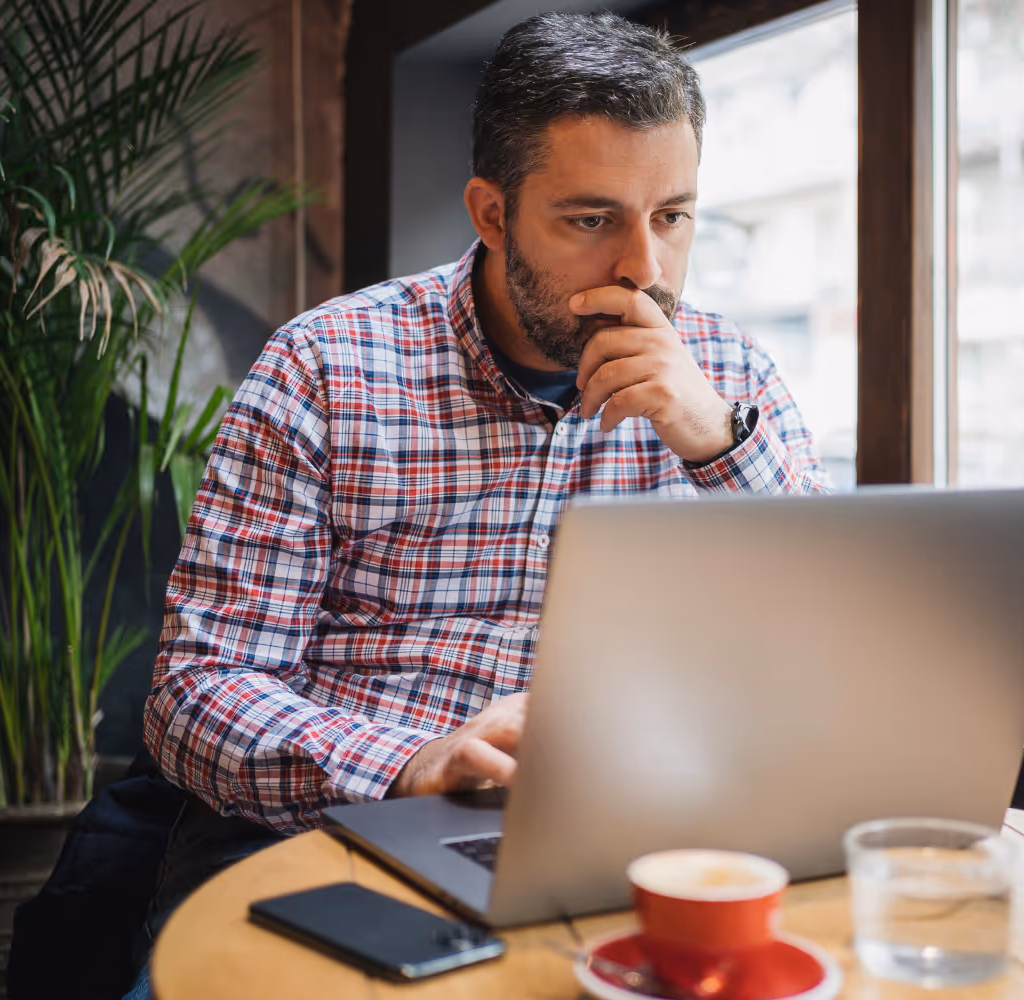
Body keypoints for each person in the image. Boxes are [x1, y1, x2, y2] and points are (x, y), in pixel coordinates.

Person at [108, 11, 829, 998]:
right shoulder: (324, 366)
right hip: (352, 826)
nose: (643, 271)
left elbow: (824, 648)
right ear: (491, 214)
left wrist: (718, 443)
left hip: (640, 836)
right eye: (590, 219)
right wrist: (410, 763)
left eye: (672, 215)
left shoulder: (731, 375)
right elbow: (197, 693)